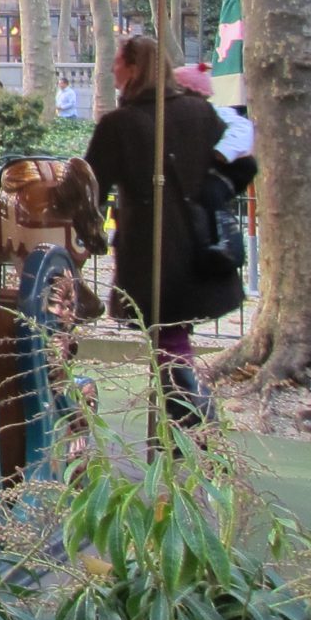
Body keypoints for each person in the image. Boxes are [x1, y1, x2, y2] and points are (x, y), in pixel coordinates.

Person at [85, 37, 241, 426]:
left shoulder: (119, 124)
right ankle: (182, 417)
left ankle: (192, 413)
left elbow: (90, 188)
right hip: (196, 240)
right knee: (172, 332)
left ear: (133, 68)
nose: (112, 69)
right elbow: (234, 162)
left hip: (153, 245)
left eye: (117, 62)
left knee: (168, 334)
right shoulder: (200, 112)